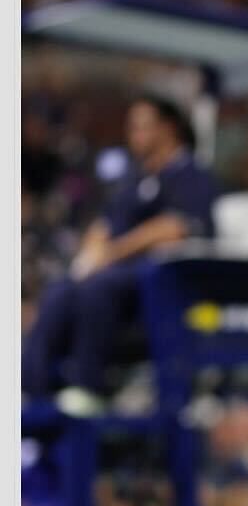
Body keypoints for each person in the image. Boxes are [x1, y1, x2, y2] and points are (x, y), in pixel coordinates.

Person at [23, 94, 217, 417]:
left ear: (169, 129)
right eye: (132, 127)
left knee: (98, 287)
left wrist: (113, 252)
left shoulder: (189, 174)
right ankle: (33, 391)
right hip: (116, 273)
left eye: (143, 126)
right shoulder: (136, 180)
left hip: (160, 282)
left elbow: (173, 227)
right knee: (60, 290)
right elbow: (106, 222)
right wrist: (88, 255)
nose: (135, 135)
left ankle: (88, 388)